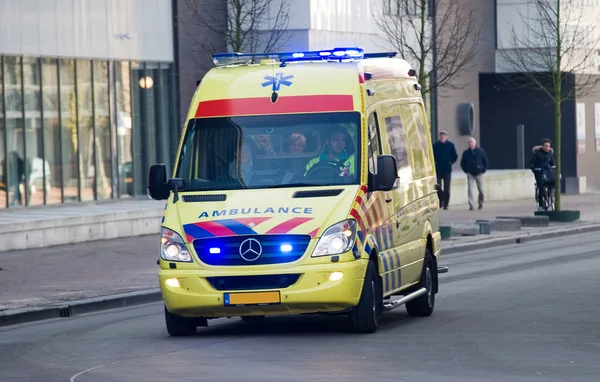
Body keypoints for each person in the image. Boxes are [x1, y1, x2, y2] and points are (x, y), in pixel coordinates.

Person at [432, 130, 458, 210]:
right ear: (439, 137)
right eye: (441, 136)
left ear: (446, 137)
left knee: (447, 187)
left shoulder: (450, 145)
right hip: (438, 169)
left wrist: (450, 162)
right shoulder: (435, 145)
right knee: (438, 187)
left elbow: (455, 156)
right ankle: (441, 200)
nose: (443, 137)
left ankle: (446, 204)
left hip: (447, 169)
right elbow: (432, 156)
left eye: (444, 136)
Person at [460, 137, 488, 210]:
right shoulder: (466, 153)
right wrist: (466, 170)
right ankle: (471, 205)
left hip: (479, 172)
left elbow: (485, 160)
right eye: (469, 143)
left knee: (481, 190)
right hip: (470, 173)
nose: (470, 144)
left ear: (475, 143)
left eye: (472, 142)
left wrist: (484, 169)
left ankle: (481, 203)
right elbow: (462, 163)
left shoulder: (480, 151)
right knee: (470, 190)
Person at [529, 138, 556, 210]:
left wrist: (554, 168)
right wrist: (534, 168)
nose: (547, 148)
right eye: (545, 146)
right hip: (539, 173)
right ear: (542, 146)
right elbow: (531, 164)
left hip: (548, 173)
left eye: (548, 146)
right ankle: (540, 204)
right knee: (541, 187)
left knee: (553, 183)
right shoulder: (537, 154)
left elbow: (553, 164)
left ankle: (551, 196)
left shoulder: (550, 154)